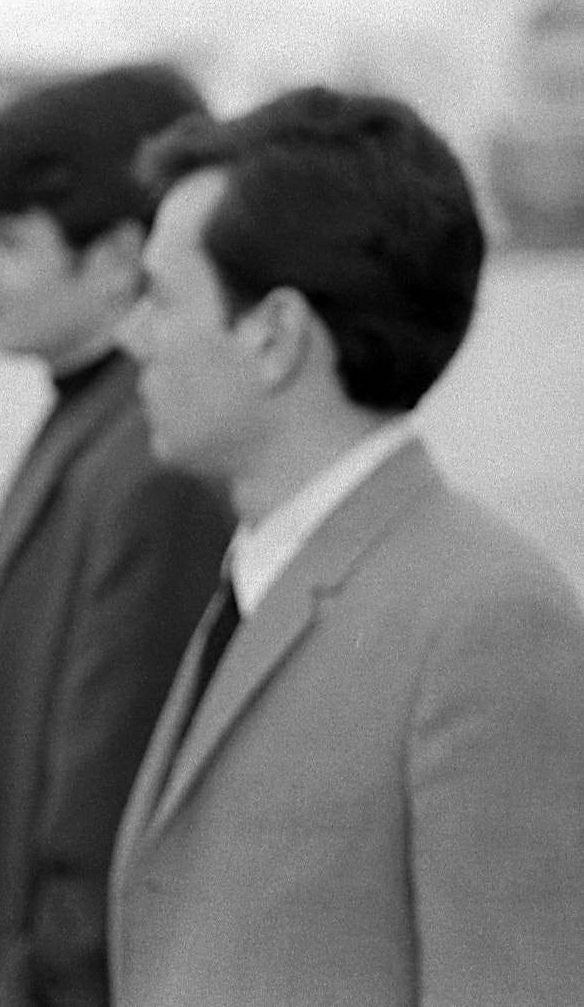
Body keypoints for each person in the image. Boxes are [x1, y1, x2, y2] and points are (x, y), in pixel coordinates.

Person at [109, 87, 584, 1005]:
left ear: (275, 336)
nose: (132, 335)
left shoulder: (486, 621)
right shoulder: (266, 576)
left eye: (160, 297)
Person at [0, 65, 232, 1007]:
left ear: (115, 257)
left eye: (8, 240)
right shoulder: (102, 427)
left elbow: (100, 829)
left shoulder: (153, 464)